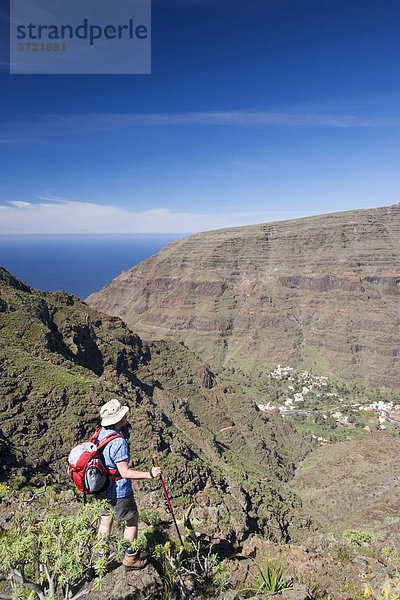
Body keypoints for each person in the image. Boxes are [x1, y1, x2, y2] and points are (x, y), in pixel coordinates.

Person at [96, 398, 162, 570]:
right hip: (118, 491)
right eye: (123, 414)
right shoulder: (118, 442)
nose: (126, 416)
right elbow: (124, 472)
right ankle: (130, 558)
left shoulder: (99, 434)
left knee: (105, 523)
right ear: (118, 419)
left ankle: (102, 560)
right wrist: (149, 474)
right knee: (132, 521)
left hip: (101, 488)